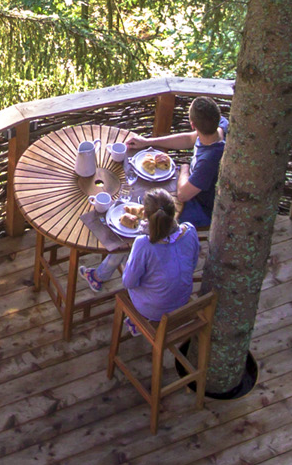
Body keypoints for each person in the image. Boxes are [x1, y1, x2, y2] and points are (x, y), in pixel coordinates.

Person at [80, 189, 197, 333]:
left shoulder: (144, 244)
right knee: (139, 260)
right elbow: (193, 264)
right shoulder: (190, 230)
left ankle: (99, 278)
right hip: (182, 300)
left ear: (145, 215)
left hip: (153, 309)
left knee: (125, 252)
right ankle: (99, 275)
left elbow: (128, 283)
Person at [125, 96, 227, 230]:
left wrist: (184, 168)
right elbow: (189, 139)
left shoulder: (209, 160)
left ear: (192, 124)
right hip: (189, 186)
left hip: (201, 207)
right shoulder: (218, 127)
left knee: (152, 216)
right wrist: (148, 142)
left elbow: (183, 195)